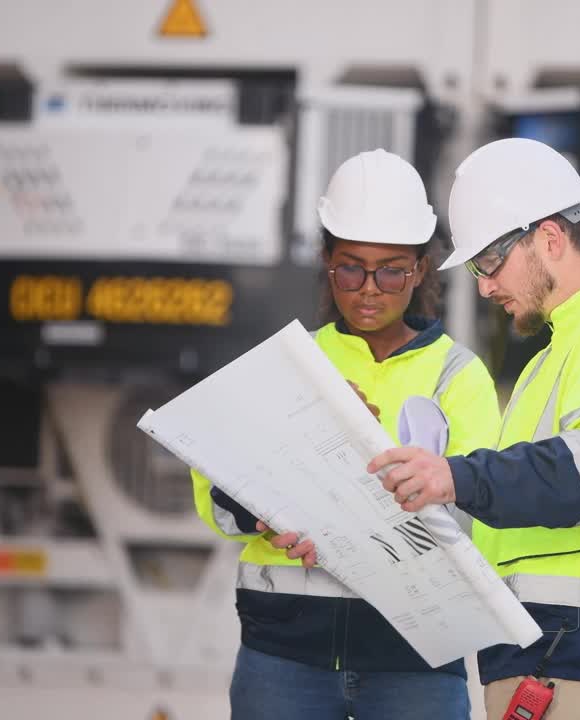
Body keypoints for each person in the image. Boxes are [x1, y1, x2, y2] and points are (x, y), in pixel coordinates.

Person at [368, 138, 580, 720]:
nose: (485, 286)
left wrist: (452, 477)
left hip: (575, 654)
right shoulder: (559, 352)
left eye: (489, 262)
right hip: (550, 653)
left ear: (548, 237)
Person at [192, 149, 503, 720]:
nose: (368, 288)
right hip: (283, 652)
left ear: (420, 269)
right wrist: (268, 513)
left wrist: (350, 440)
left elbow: (472, 520)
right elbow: (216, 500)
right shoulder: (288, 363)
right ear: (326, 262)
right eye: (350, 267)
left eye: (391, 269)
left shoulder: (460, 378)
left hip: (416, 659)